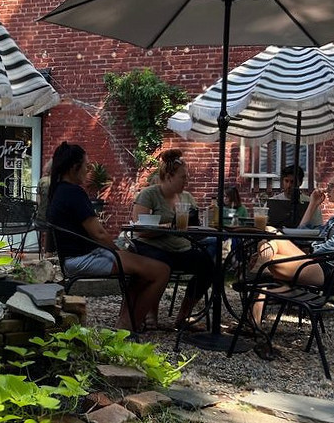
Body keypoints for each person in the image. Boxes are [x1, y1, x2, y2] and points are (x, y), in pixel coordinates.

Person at [46, 142, 169, 333]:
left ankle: (125, 323)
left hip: (72, 258)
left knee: (141, 271)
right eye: (86, 166)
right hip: (83, 259)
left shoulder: (58, 191)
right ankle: (131, 327)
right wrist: (118, 252)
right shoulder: (74, 193)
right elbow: (99, 233)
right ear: (74, 168)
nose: (88, 171)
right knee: (162, 272)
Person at [249, 170, 334, 328]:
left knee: (266, 261)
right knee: (270, 232)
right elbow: (302, 232)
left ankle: (253, 317)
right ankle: (254, 319)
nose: (327, 190)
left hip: (331, 269)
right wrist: (313, 204)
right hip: (320, 263)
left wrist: (311, 252)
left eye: (332, 186)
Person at [131, 150, 214, 330]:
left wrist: (200, 227)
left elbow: (194, 227)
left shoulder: (187, 198)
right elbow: (139, 230)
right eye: (183, 177)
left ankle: (183, 316)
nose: (187, 181)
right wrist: (169, 226)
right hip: (152, 247)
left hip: (181, 249)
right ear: (169, 177)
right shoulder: (149, 195)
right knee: (162, 264)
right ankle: (150, 313)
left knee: (208, 266)